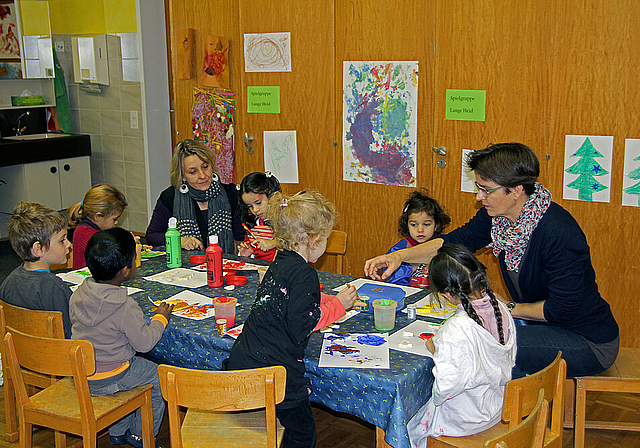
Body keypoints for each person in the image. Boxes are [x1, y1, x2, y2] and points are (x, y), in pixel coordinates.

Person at [365, 142, 619, 379]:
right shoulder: (498, 217)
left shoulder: (558, 232)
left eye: (486, 189)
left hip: (586, 340)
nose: (479, 197)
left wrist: (505, 309)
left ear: (516, 190)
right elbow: (450, 243)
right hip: (541, 326)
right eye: (479, 188)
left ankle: (511, 417)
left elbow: (562, 308)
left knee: (477, 342)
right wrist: (398, 257)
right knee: (471, 334)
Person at [222, 191, 362, 448]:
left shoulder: (280, 262)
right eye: (327, 240)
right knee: (302, 433)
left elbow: (292, 298)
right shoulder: (305, 274)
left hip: (244, 362)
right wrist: (339, 306)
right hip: (275, 375)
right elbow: (303, 325)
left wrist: (329, 299)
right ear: (314, 240)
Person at [69, 227, 173, 448]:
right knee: (157, 377)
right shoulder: (125, 306)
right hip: (112, 376)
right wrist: (160, 319)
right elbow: (144, 343)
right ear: (125, 270)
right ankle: (141, 435)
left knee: (129, 367)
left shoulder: (77, 293)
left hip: (81, 374)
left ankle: (117, 431)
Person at [407, 244, 516, 445]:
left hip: (465, 421)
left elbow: (444, 389)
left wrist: (437, 349)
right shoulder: (501, 308)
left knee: (406, 425)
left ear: (446, 294)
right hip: (495, 407)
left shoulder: (456, 330)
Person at [145, 139, 243, 253]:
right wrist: (179, 240)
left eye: (205, 167)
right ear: (182, 176)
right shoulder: (170, 197)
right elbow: (152, 236)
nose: (202, 175)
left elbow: (241, 237)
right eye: (193, 172)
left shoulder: (230, 193)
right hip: (186, 267)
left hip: (223, 265)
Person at [0, 202, 73, 338]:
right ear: (38, 249)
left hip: (22, 355)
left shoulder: (8, 282)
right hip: (55, 356)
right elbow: (70, 333)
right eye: (62, 240)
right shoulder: (55, 288)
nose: (69, 244)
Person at [384, 189, 450, 287]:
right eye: (414, 224)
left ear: (436, 225)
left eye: (426, 224)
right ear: (407, 225)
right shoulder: (399, 249)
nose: (420, 229)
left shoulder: (442, 247)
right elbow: (394, 282)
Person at [67, 184, 128, 269]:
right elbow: (108, 258)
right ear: (98, 217)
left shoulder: (95, 230)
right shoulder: (86, 234)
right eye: (114, 219)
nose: (116, 222)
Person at [237, 171, 281, 261]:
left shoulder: (288, 218)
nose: (255, 210)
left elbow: (298, 242)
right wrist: (247, 254)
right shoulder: (253, 225)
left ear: (271, 194)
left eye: (258, 203)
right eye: (250, 206)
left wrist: (273, 243)